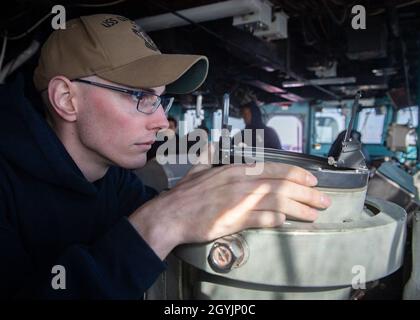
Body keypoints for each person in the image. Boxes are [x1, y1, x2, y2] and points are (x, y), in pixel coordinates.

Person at [0, 14, 331, 299]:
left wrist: (195, 197)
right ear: (67, 99)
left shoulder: (114, 180)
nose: (161, 122)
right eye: (140, 96)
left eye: (161, 99)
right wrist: (161, 222)